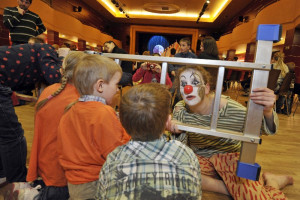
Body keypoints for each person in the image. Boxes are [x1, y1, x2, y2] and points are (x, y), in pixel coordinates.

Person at [171, 65, 293, 199]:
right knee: (173, 172)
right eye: (183, 84)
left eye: (194, 83)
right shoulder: (180, 109)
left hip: (230, 158)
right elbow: (180, 147)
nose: (188, 88)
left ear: (206, 88)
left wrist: (268, 111)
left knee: (254, 197)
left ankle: (272, 183)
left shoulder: (233, 109)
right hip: (201, 158)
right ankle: (231, 187)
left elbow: (263, 129)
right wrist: (176, 131)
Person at [95, 83, 202, 200]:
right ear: (167, 120)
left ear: (122, 123)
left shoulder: (113, 159)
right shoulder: (185, 154)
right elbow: (196, 193)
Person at [57, 54, 130, 200]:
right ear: (100, 85)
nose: (117, 90)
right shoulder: (103, 112)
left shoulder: (70, 109)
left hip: (74, 183)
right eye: (116, 84)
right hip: (95, 183)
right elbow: (116, 153)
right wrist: (129, 135)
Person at [26, 52, 86, 200]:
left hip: (45, 168)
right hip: (63, 176)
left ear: (61, 70)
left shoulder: (49, 90)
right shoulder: (80, 99)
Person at [0, 43, 62, 184]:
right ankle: (19, 181)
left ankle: (3, 174)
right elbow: (54, 76)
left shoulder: (30, 54)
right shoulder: (47, 49)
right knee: (12, 136)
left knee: (3, 133)